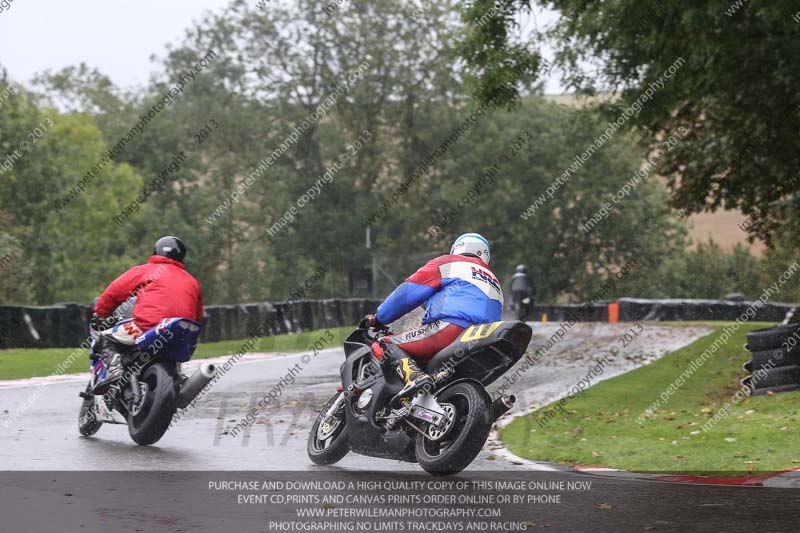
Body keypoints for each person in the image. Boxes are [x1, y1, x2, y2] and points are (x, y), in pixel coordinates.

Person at [363, 233, 503, 399]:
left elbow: (406, 294)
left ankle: (413, 377)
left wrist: (379, 318)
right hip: (483, 338)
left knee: (384, 344)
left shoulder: (449, 263)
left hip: (450, 329)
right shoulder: (495, 281)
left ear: (457, 248)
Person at [91, 236, 203, 385]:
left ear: (156, 252)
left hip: (147, 325)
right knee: (174, 351)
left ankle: (115, 370)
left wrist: (100, 314)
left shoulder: (145, 270)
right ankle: (177, 376)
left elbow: (113, 293)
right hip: (183, 332)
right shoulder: (192, 281)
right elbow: (198, 316)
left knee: (104, 339)